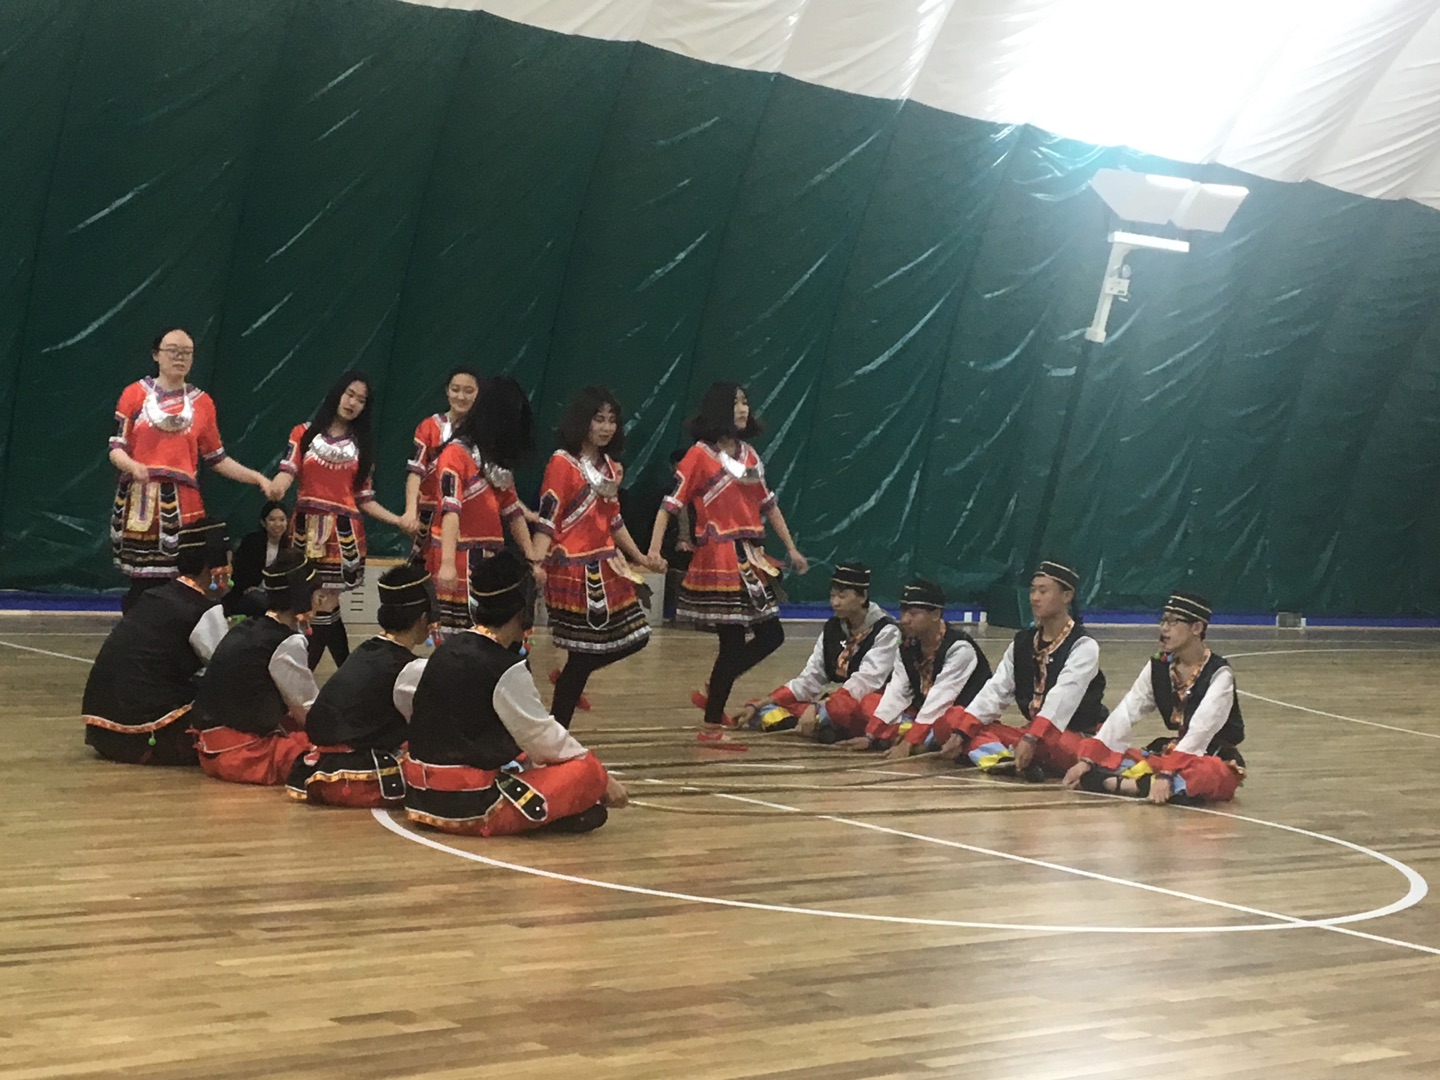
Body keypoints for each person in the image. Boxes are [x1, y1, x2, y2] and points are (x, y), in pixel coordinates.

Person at [401, 551, 628, 836]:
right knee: (586, 770)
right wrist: (602, 779)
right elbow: (544, 740)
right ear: (523, 609)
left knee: (521, 758)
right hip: (470, 804)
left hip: (420, 797)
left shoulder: (446, 650)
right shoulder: (505, 667)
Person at [646, 382, 809, 736]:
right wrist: (654, 550)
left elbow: (768, 504)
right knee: (733, 641)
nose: (743, 409)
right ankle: (711, 721)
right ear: (718, 408)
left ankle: (713, 693)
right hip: (718, 556)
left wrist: (791, 548)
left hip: (750, 556)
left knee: (770, 635)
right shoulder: (699, 455)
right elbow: (669, 506)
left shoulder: (749, 455)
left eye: (745, 402)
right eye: (735, 402)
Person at [108, 328, 275, 610]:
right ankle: (138, 630)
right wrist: (132, 466)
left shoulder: (203, 403)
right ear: (156, 355)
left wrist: (256, 478)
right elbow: (116, 448)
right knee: (143, 582)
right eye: (173, 350)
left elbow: (217, 458)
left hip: (185, 504)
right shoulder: (134, 394)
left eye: (187, 352)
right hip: (142, 502)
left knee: (183, 580)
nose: (180, 357)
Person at [532, 387, 663, 728]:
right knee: (583, 654)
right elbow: (548, 518)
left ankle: (564, 699)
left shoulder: (612, 468)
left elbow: (614, 520)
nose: (606, 427)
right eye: (599, 419)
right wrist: (536, 561)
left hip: (607, 568)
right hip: (572, 570)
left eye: (611, 420)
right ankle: (557, 731)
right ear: (583, 421)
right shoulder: (562, 463)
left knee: (635, 637)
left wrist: (640, 556)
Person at [269, 372, 408, 669]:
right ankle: (345, 670)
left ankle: (306, 676)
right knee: (313, 605)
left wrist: (397, 520)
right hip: (305, 533)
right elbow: (288, 470)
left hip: (342, 537)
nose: (353, 403)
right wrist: (277, 486)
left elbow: (365, 499)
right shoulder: (303, 433)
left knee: (324, 604)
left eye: (361, 400)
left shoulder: (362, 448)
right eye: (350, 394)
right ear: (337, 393)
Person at [1063, 593, 1246, 804]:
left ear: (1196, 628)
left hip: (1212, 757)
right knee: (1117, 756)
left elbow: (1201, 730)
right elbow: (1127, 710)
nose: (1164, 628)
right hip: (1175, 751)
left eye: (1173, 622)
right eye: (1163, 620)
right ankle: (1144, 784)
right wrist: (1089, 759)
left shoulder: (1220, 674)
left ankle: (1117, 784)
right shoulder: (1160, 666)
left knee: (1204, 775)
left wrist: (1167, 773)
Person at [936, 560, 1108, 778]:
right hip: (1031, 734)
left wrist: (1031, 738)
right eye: (1033, 590)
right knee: (951, 721)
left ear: (1067, 596)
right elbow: (996, 690)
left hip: (1070, 736)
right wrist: (962, 732)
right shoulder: (1023, 643)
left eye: (1043, 591)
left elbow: (1062, 699)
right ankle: (1001, 761)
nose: (1034, 597)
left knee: (1059, 745)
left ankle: (999, 755)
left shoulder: (1083, 646)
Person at [82, 519, 233, 765]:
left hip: (102, 734)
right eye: (228, 559)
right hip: (145, 735)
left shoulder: (157, 596)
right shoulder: (201, 609)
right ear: (214, 567)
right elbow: (230, 671)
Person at [285, 565, 435, 808]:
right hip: (356, 777)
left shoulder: (367, 650)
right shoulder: (408, 668)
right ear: (423, 619)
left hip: (316, 768)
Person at [190, 552, 320, 785]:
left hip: (210, 750)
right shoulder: (287, 642)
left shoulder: (246, 627)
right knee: (324, 753)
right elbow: (306, 708)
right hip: (245, 753)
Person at [733, 563, 899, 743]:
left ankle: (818, 725)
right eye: (832, 595)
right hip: (832, 702)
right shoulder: (832, 628)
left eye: (842, 596)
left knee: (843, 708)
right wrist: (759, 704)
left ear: (863, 597)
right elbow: (811, 677)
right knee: (763, 710)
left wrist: (817, 707)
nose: (834, 602)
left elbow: (865, 682)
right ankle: (818, 727)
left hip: (864, 702)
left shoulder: (886, 631)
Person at [427, 375, 542, 636]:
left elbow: (512, 511)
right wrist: (447, 563)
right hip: (459, 557)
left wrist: (533, 559)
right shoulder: (456, 454)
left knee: (494, 637)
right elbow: (450, 510)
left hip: (491, 561)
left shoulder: (494, 460)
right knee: (460, 638)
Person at [832, 580, 992, 757]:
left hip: (957, 718)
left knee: (951, 720)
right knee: (871, 702)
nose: (904, 620)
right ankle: (915, 738)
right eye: (903, 612)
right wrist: (870, 735)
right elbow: (897, 692)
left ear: (935, 614)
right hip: (923, 715)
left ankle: (914, 738)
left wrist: (908, 742)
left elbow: (939, 701)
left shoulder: (960, 649)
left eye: (913, 613)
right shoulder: (907, 647)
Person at [401, 367, 481, 564]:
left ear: (479, 394)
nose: (461, 397)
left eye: (468, 391)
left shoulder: (484, 433)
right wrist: (410, 510)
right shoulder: (429, 427)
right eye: (455, 389)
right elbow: (415, 472)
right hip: (430, 516)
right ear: (447, 391)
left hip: (471, 517)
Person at [224, 499, 291, 618]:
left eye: (282, 520)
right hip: (250, 593)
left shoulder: (290, 545)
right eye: (272, 520)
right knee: (259, 601)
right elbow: (239, 572)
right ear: (263, 523)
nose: (277, 524)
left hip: (276, 595)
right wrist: (247, 588)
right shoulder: (252, 541)